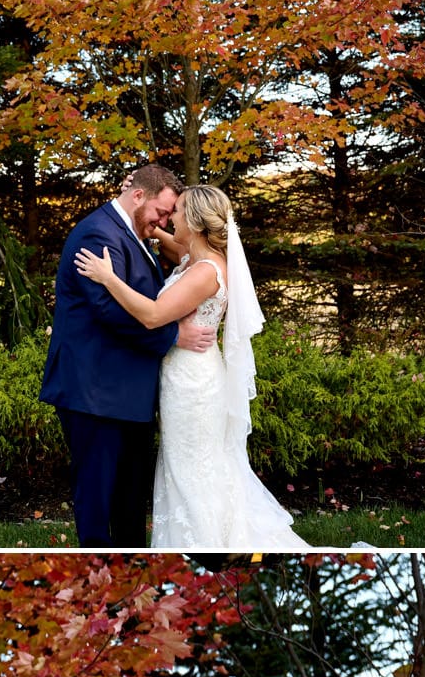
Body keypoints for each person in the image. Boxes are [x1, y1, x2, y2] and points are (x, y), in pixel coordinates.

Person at [74, 184, 306, 550]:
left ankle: (208, 540)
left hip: (193, 385)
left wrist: (108, 277)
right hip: (183, 378)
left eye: (176, 211)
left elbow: (151, 316)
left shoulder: (204, 273)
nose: (170, 218)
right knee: (185, 467)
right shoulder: (196, 256)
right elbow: (173, 243)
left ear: (195, 221)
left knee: (193, 470)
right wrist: (146, 222)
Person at [39, 165, 217, 548]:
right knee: (98, 500)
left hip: (126, 395)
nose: (165, 221)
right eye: (162, 212)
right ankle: (98, 569)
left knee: (130, 502)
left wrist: (155, 224)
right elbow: (108, 310)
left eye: (171, 215)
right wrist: (174, 336)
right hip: (94, 392)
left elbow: (185, 251)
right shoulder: (97, 233)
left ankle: (132, 566)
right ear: (138, 197)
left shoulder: (134, 230)